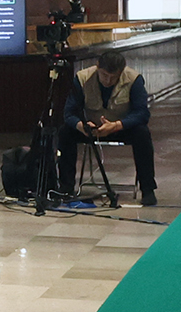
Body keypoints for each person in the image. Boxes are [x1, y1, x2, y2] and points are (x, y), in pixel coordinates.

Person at [61, 47, 155, 205]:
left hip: (120, 127)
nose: (108, 81)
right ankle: (65, 187)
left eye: (113, 77)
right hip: (91, 128)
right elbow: (68, 113)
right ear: (97, 67)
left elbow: (142, 113)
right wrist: (81, 126)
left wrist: (117, 125)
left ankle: (148, 189)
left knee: (142, 133)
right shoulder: (82, 78)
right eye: (104, 75)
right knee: (65, 132)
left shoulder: (134, 79)